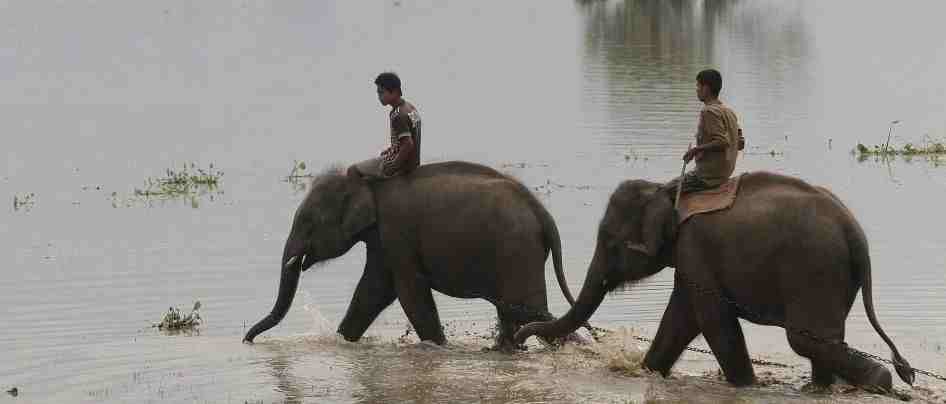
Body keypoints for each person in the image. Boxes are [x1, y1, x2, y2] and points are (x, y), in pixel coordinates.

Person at [665, 69, 745, 201]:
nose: (696, 90)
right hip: (725, 174)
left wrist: (696, 150)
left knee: (664, 192)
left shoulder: (708, 112)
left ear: (706, 88)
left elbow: (722, 142)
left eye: (698, 86)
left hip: (707, 177)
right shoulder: (729, 112)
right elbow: (740, 143)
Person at [350, 72, 422, 181]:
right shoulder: (411, 108)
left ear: (395, 92)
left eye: (381, 92)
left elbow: (408, 144)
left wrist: (392, 166)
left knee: (352, 171)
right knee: (380, 155)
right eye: (378, 93)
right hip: (414, 162)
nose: (379, 97)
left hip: (401, 164)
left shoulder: (397, 115)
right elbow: (412, 136)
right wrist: (391, 149)